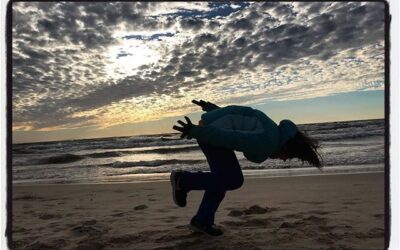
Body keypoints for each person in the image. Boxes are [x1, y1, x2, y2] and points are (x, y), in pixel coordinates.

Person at [171, 100, 322, 236]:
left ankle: (202, 221)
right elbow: (232, 138)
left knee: (221, 179)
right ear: (287, 147)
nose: (284, 159)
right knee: (233, 179)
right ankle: (183, 180)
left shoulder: (272, 131)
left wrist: (212, 109)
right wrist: (197, 132)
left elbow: (236, 118)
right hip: (212, 134)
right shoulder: (267, 141)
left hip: (212, 129)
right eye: (289, 156)